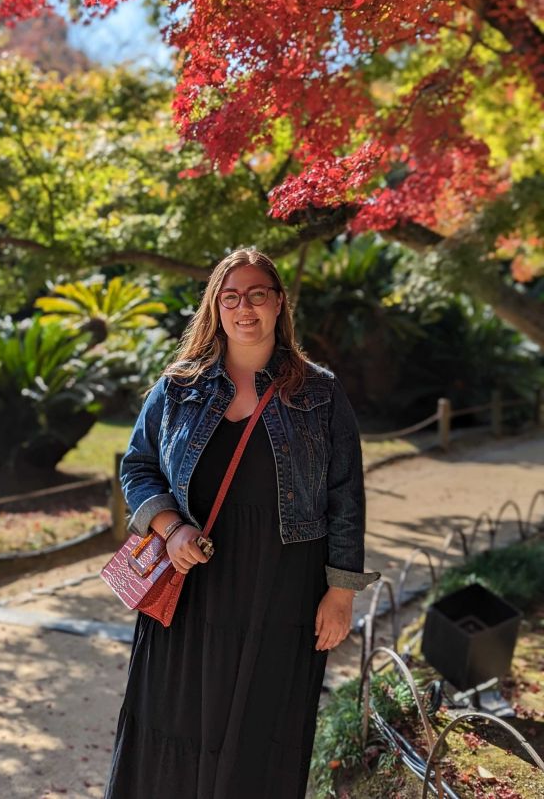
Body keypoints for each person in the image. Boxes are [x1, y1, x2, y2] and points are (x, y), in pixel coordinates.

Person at [103, 246, 381, 799]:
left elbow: (346, 495)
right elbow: (137, 465)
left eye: (257, 294)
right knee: (171, 719)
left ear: (279, 303)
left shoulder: (319, 392)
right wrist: (169, 526)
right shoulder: (179, 387)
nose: (244, 308)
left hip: (281, 587)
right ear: (215, 307)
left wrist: (341, 592)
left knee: (262, 728)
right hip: (190, 585)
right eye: (230, 297)